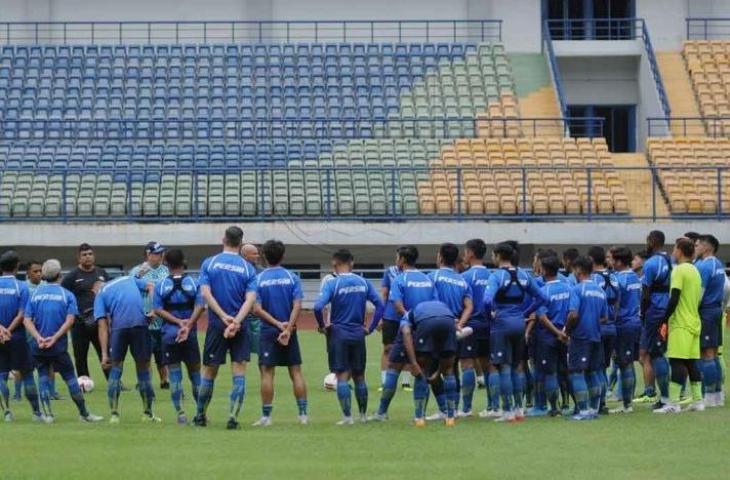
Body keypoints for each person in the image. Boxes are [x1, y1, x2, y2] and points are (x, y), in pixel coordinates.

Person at [193, 226, 257, 430]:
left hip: (216, 325)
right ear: (241, 243)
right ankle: (232, 418)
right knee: (239, 372)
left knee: (209, 372)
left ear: (224, 239)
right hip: (240, 326)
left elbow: (205, 293)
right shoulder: (248, 268)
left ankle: (200, 416)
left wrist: (223, 317)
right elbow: (251, 299)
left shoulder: (209, 263)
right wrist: (237, 321)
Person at [23, 259, 103, 423]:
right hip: (57, 346)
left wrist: (38, 337)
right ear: (59, 275)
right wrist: (55, 337)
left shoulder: (36, 294)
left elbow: (27, 320)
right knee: (70, 378)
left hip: (38, 345)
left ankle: (48, 415)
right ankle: (84, 414)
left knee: (43, 376)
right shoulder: (66, 295)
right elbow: (70, 320)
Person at [314, 249, 383, 425]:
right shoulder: (363, 282)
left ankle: (347, 417)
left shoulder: (333, 284)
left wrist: (323, 326)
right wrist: (370, 327)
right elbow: (380, 305)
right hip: (358, 334)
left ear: (334, 264)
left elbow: (317, 307)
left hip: (339, 333)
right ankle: (362, 416)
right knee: (360, 376)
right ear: (352, 263)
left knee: (342, 376)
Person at [484, 242, 547, 423]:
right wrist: (526, 312)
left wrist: (491, 316)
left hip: (502, 323)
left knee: (503, 366)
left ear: (497, 256)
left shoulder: (496, 276)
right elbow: (542, 297)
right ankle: (519, 409)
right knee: (516, 365)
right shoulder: (523, 275)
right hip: (519, 322)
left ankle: (507, 411)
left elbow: (487, 301)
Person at [369, 245, 434, 421]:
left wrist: (408, 318)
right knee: (421, 366)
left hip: (403, 324)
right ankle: (420, 416)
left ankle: (382, 413)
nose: (396, 260)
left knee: (394, 367)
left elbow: (397, 304)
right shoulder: (427, 278)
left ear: (403, 260)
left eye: (397, 257)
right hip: (422, 325)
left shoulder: (399, 279)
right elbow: (433, 303)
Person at [251, 240, 308, 427]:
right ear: (283, 256)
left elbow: (257, 309)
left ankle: (266, 417)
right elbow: (298, 305)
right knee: (296, 372)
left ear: (264, 257)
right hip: (289, 332)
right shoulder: (292, 277)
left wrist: (277, 325)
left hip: (268, 331)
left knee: (267, 373)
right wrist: (288, 327)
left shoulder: (258, 280)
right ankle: (303, 415)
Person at [151, 248, 204, 425]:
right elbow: (201, 306)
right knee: (195, 374)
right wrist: (187, 324)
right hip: (189, 335)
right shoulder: (194, 283)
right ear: (183, 261)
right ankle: (200, 411)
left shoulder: (161, 286)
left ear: (166, 263)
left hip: (169, 335)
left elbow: (157, 309)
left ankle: (180, 414)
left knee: (174, 375)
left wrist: (176, 321)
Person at [95, 273, 157, 424]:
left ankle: (114, 415)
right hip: (139, 324)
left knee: (115, 369)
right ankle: (147, 414)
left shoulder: (100, 293)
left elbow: (102, 326)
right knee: (143, 368)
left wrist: (104, 354)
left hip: (119, 329)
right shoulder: (130, 278)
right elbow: (151, 286)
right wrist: (152, 309)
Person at [654, 238, 704, 414]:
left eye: (675, 249)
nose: (673, 252)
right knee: (691, 362)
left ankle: (673, 403)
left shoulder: (679, 270)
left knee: (676, 362)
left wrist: (664, 319)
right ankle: (698, 400)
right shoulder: (695, 271)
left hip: (681, 323)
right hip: (694, 322)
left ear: (681, 251)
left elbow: (674, 297)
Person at [429, 243, 473, 420]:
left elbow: (428, 300)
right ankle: (453, 409)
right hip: (454, 327)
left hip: (435, 325)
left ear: (440, 257)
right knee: (451, 368)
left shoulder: (433, 277)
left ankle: (442, 409)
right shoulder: (462, 280)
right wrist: (459, 324)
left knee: (432, 369)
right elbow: (469, 306)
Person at [400, 300, 459, 427]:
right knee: (449, 370)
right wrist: (438, 373)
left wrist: (414, 363)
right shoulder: (441, 306)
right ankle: (450, 417)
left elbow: (406, 333)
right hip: (449, 320)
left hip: (426, 322)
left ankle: (419, 418)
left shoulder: (408, 316)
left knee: (422, 369)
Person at [0, 250, 42, 422]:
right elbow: (22, 314)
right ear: (17, 266)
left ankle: (7, 413)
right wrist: (9, 330)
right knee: (27, 373)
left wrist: (1, 330)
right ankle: (36, 413)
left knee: (1, 374)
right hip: (16, 336)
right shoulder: (22, 287)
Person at [565, 256, 608, 421]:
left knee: (577, 372)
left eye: (574, 270)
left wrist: (567, 331)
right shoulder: (600, 290)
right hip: (596, 336)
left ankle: (583, 412)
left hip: (580, 337)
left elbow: (573, 314)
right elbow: (605, 317)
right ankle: (593, 410)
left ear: (579, 270)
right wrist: (591, 320)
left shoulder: (577, 289)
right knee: (593, 372)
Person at [527, 255, 570, 417]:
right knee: (563, 370)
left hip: (547, 337)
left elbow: (542, 317)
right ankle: (566, 404)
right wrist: (565, 332)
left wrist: (557, 333)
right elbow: (573, 313)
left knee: (550, 372)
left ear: (543, 270)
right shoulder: (568, 288)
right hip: (565, 337)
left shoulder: (542, 292)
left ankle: (553, 408)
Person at [61, 243, 110, 380]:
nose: (88, 257)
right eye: (84, 255)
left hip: (99, 322)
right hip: (79, 323)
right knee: (80, 355)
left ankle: (112, 380)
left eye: (90, 254)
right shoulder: (72, 276)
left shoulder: (102, 273)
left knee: (104, 351)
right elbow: (64, 297)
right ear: (78, 258)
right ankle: (83, 382)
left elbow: (110, 293)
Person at [637, 231, 672, 408]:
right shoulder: (671, 261)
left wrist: (642, 312)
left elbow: (645, 293)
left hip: (654, 311)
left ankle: (665, 398)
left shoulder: (651, 263)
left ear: (652, 241)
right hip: (668, 310)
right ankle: (663, 395)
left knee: (656, 353)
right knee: (657, 352)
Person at [130, 242, 170, 390]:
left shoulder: (166, 271)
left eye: (162, 253)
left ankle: (164, 380)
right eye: (157, 253)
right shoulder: (136, 270)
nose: (161, 256)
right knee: (144, 354)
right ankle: (144, 381)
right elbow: (130, 288)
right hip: (143, 319)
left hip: (162, 319)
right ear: (148, 254)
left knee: (162, 353)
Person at [460, 239, 493, 418]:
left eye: (465, 252)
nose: (464, 255)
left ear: (471, 253)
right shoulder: (492, 275)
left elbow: (462, 304)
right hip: (489, 325)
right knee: (489, 366)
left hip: (470, 325)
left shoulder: (465, 277)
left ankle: (466, 408)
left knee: (467, 365)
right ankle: (493, 406)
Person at [607, 246, 642, 414]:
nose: (609, 262)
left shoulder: (618, 279)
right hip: (635, 322)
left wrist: (610, 319)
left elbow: (616, 303)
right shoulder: (635, 276)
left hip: (623, 324)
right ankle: (628, 402)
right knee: (628, 363)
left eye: (611, 258)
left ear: (619, 261)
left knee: (624, 363)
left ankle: (627, 404)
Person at [14, 260, 53, 401]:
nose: (38, 274)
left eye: (40, 271)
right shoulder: (24, 288)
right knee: (21, 364)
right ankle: (17, 394)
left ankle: (51, 392)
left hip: (44, 332)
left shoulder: (46, 287)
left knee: (48, 363)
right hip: (26, 333)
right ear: (28, 273)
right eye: (35, 271)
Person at [693, 234, 725, 407]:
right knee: (713, 353)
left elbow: (699, 294)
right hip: (716, 310)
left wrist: (691, 310)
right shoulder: (718, 264)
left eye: (698, 245)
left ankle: (710, 395)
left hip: (706, 311)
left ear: (706, 248)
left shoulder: (705, 266)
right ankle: (718, 394)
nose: (695, 248)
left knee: (707, 354)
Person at [587, 246, 619, 414]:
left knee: (596, 368)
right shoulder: (613, 278)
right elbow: (618, 302)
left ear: (591, 260)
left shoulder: (592, 280)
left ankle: (597, 404)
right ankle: (603, 402)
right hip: (612, 327)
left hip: (598, 327)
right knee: (604, 367)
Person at [377, 262, 411, 392]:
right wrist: (380, 316)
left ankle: (406, 383)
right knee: (387, 349)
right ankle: (385, 382)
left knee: (408, 348)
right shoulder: (390, 271)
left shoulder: (412, 274)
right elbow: (384, 294)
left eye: (398, 257)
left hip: (407, 316)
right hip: (390, 316)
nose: (396, 259)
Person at [241, 244, 263, 357]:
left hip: (258, 316)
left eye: (257, 253)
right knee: (241, 355)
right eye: (254, 254)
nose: (257, 256)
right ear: (245, 256)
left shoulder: (261, 272)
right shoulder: (238, 270)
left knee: (263, 352)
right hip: (241, 317)